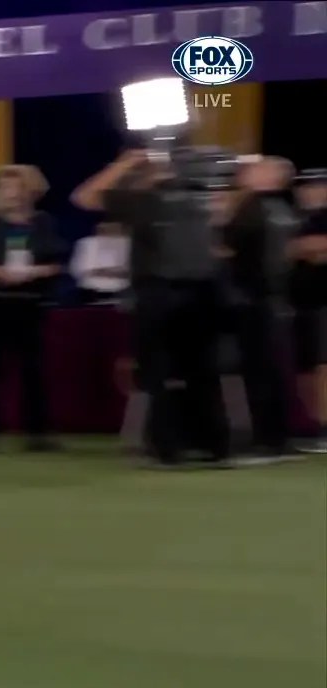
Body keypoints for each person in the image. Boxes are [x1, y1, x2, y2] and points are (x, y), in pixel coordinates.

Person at [72, 148, 231, 467]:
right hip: (201, 292)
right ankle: (212, 445)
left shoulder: (145, 201)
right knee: (201, 372)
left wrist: (122, 164)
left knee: (160, 372)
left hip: (161, 293)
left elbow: (84, 197)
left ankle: (169, 448)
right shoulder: (206, 201)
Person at [0, 165, 64, 453]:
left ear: (29, 191)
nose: (9, 194)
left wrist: (35, 272)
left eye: (15, 187)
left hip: (31, 304)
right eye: (4, 188)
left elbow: (57, 263)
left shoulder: (43, 223)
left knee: (34, 371)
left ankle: (38, 433)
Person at [220, 156, 297, 460]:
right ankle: (276, 437)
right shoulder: (283, 210)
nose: (246, 171)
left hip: (252, 300)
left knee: (259, 372)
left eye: (257, 168)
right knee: (271, 371)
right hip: (273, 298)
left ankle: (267, 440)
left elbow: (227, 248)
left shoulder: (252, 209)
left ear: (271, 177)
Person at [290, 168, 327, 452]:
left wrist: (303, 249)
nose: (308, 192)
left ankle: (324, 429)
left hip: (322, 302)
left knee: (322, 366)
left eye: (316, 186)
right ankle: (312, 424)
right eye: (304, 187)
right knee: (305, 366)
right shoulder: (299, 219)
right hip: (301, 301)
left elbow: (312, 248)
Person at [69, 221, 130, 305]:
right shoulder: (88, 243)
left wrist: (103, 271)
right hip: (91, 291)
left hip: (121, 291)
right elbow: (80, 270)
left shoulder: (126, 243)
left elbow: (128, 270)